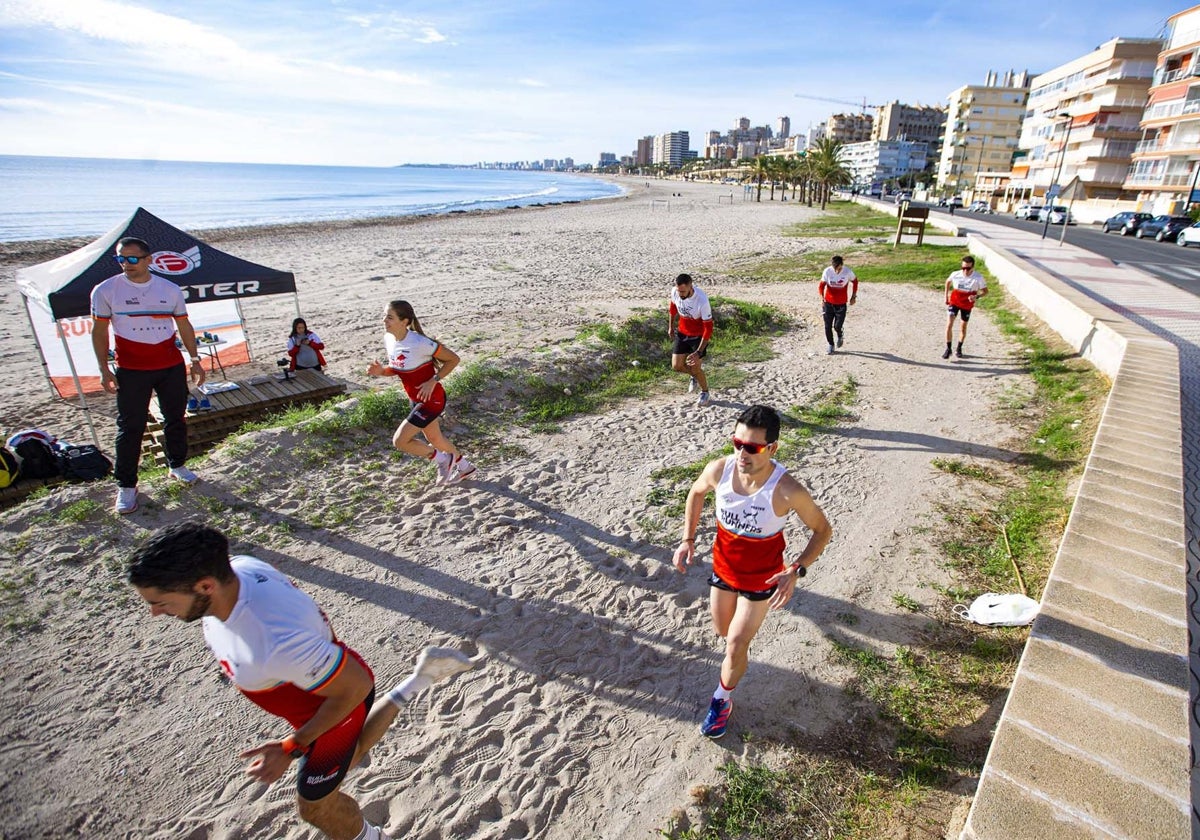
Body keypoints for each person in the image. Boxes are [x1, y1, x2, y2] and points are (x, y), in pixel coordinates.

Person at [128, 520, 482, 840]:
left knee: (316, 805)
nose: (155, 612)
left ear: (206, 586)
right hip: (322, 682)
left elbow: (354, 687)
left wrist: (290, 747)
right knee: (352, 755)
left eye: (160, 602)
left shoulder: (274, 641)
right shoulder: (241, 567)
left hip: (332, 704)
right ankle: (422, 677)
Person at [672, 405, 832, 739]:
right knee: (723, 631)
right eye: (737, 443)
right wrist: (687, 539)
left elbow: (822, 530)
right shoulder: (719, 470)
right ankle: (738, 654)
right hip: (724, 571)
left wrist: (795, 570)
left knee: (734, 644)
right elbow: (696, 492)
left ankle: (721, 700)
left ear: (772, 448)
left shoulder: (787, 490)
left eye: (753, 447)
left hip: (762, 579)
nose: (742, 453)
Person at [90, 236, 206, 515]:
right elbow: (99, 331)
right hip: (131, 370)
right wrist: (103, 368)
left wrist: (195, 360)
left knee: (175, 418)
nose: (126, 264)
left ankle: (177, 465)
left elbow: (184, 325)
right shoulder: (105, 290)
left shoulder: (169, 289)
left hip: (169, 366)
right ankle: (127, 486)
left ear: (148, 259)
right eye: (121, 259)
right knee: (130, 427)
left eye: (132, 259)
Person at [366, 300, 476, 485]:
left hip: (432, 399)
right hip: (415, 399)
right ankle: (465, 467)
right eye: (384, 316)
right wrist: (382, 371)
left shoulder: (420, 342)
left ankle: (442, 460)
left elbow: (454, 359)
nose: (384, 320)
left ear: (404, 321)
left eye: (389, 317)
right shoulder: (390, 339)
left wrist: (433, 380)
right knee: (434, 438)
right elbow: (398, 367)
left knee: (400, 441)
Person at [668, 273, 714, 407]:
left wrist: (699, 352)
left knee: (695, 367)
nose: (680, 294)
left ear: (690, 286)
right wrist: (670, 327)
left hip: (698, 336)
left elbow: (708, 329)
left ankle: (705, 392)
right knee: (677, 366)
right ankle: (694, 376)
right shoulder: (675, 292)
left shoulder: (702, 301)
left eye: (683, 291)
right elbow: (672, 309)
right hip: (682, 333)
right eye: (678, 291)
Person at [943, 255, 988, 359]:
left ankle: (959, 347)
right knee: (949, 323)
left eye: (968, 268)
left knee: (963, 326)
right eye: (963, 268)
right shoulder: (956, 274)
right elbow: (947, 282)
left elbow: (986, 291)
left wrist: (976, 296)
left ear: (973, 267)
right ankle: (948, 348)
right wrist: (946, 296)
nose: (965, 271)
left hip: (966, 304)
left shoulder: (978, 277)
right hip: (954, 301)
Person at [818, 255, 858, 355]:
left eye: (839, 269)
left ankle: (840, 334)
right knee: (827, 326)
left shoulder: (847, 271)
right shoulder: (827, 271)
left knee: (837, 326)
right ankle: (831, 345)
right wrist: (822, 298)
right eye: (835, 269)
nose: (837, 271)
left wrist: (853, 297)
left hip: (841, 304)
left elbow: (855, 281)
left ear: (842, 265)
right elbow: (821, 286)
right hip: (828, 303)